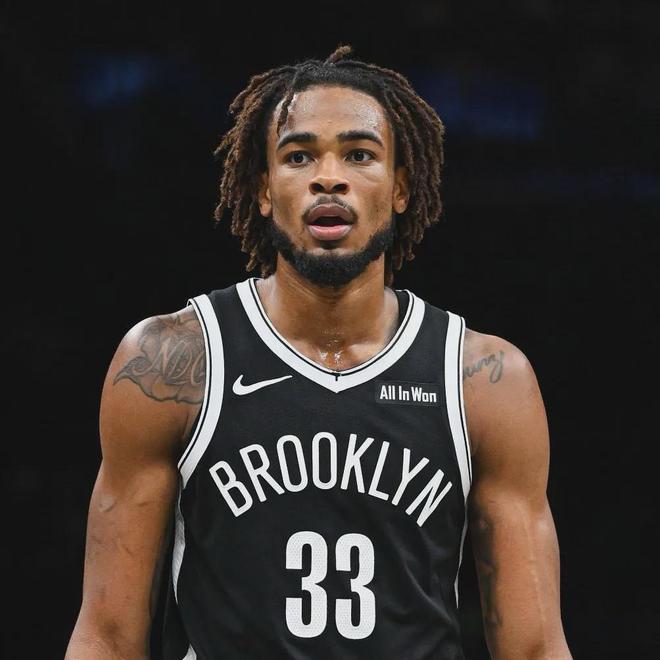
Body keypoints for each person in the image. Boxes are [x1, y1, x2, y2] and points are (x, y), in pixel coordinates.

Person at [66, 45, 571, 659]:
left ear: (401, 187)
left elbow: (535, 646)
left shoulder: (485, 379)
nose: (328, 177)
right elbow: (107, 635)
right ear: (262, 189)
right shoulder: (174, 362)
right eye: (299, 156)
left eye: (359, 154)